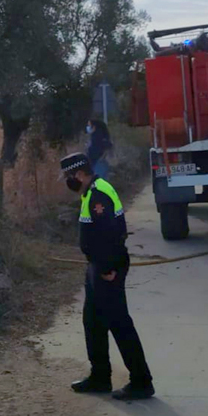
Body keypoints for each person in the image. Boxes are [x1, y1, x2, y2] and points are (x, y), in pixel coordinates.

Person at [60, 152, 155, 401]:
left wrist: (106, 269)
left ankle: (142, 381)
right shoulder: (92, 191)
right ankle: (100, 376)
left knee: (119, 324)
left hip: (106, 268)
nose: (67, 181)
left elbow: (109, 234)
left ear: (79, 174)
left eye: (69, 176)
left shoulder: (98, 195)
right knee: (93, 322)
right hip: (98, 266)